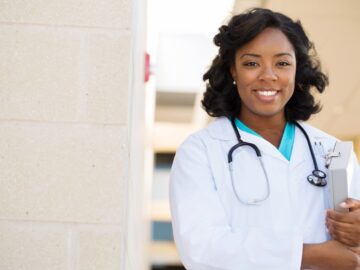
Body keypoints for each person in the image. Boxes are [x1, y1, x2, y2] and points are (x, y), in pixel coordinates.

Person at [169, 8, 360, 270]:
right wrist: (312, 255)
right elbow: (202, 248)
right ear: (233, 70)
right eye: (251, 63)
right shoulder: (200, 151)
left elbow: (352, 253)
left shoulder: (334, 151)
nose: (268, 75)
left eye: (282, 63)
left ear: (297, 70)